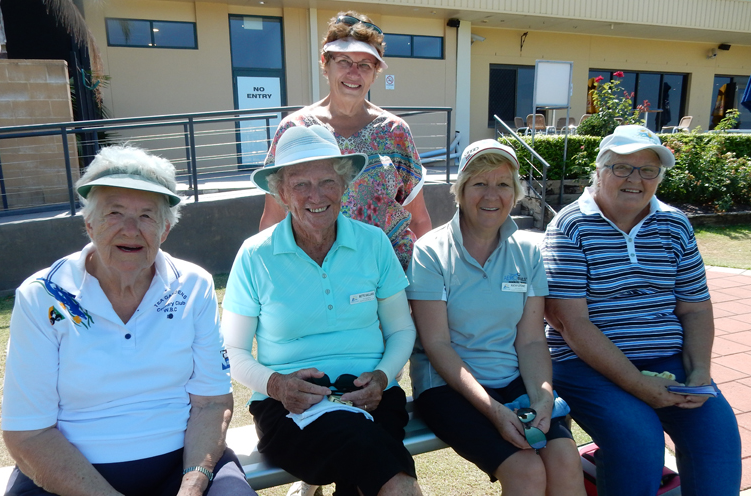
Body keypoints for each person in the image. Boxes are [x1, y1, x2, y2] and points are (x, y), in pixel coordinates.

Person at [1, 146, 256, 496]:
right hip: (69, 476)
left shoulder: (194, 285)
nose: (131, 229)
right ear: (89, 224)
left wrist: (193, 485)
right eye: (115, 213)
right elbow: (28, 433)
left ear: (165, 230)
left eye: (147, 216)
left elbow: (211, 401)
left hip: (182, 464)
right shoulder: (43, 295)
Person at [541, 125, 742, 496]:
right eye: (622, 168)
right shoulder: (571, 226)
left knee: (719, 445)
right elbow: (571, 323)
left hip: (669, 359)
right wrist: (637, 385)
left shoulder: (675, 224)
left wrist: (700, 371)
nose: (636, 179)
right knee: (638, 443)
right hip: (585, 365)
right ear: (599, 171)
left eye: (648, 170)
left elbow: (695, 308)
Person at [222, 125, 422, 496]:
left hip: (373, 396)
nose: (317, 196)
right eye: (300, 184)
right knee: (390, 477)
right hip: (289, 405)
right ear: (281, 193)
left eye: (328, 181)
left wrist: (381, 378)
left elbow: (401, 330)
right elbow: (230, 352)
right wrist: (277, 385)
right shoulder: (255, 255)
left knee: (366, 466)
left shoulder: (374, 243)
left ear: (344, 185)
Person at [405, 140, 585, 496]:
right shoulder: (430, 252)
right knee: (527, 470)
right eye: (480, 183)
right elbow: (437, 345)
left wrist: (543, 398)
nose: (492, 195)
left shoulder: (529, 252)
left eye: (503, 184)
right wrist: (494, 412)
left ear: (515, 192)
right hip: (448, 387)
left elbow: (532, 340)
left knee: (565, 460)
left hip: (512, 379)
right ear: (460, 191)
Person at [259, 10, 432, 271]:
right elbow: (274, 217)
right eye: (343, 61)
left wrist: (422, 289)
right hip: (314, 274)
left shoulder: (396, 132)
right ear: (325, 64)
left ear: (375, 73)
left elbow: (418, 219)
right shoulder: (295, 129)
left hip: (386, 279)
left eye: (365, 65)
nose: (354, 73)